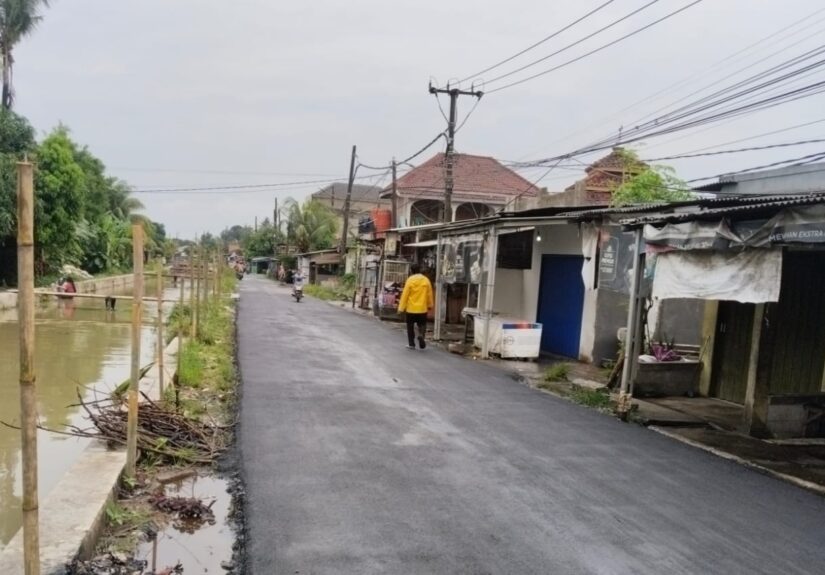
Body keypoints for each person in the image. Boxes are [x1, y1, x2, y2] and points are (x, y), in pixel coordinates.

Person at [397, 264, 434, 350]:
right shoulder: (426, 280)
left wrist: (401, 308)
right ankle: (421, 335)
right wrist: (430, 305)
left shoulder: (410, 280)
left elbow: (405, 295)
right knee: (422, 324)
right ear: (420, 270)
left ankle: (411, 344)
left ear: (411, 271)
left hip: (411, 309)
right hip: (422, 308)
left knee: (410, 326)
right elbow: (429, 294)